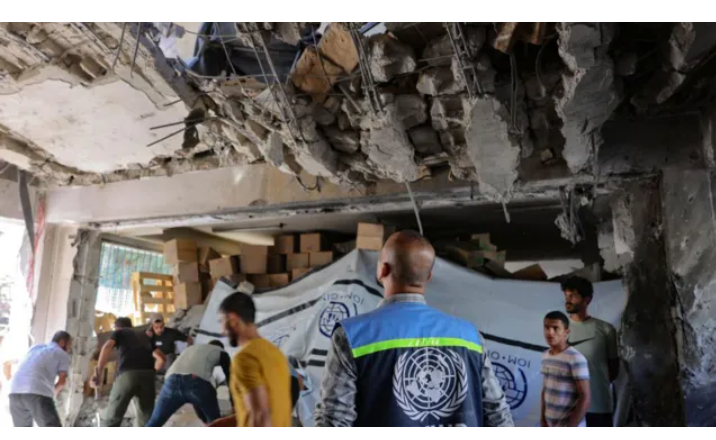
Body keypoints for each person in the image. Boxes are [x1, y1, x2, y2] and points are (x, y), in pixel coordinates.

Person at [314, 230, 514, 427]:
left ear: (383, 270)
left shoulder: (352, 336)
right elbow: (498, 416)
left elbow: (333, 422)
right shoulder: (470, 337)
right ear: (429, 277)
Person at [208, 292, 291, 427]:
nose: (222, 331)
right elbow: (267, 407)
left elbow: (260, 415)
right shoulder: (276, 353)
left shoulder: (244, 358)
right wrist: (222, 423)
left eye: (221, 321)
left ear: (233, 319)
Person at [562, 276, 619, 427]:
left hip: (599, 405)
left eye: (573, 295)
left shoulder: (606, 330)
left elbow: (613, 371)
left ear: (586, 299)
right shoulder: (559, 330)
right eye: (566, 295)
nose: (568, 299)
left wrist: (594, 385)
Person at [146, 340, 232, 426]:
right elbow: (232, 380)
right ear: (220, 347)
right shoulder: (221, 351)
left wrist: (204, 420)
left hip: (170, 381)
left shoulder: (191, 349)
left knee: (154, 422)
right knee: (216, 423)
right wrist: (234, 405)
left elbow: (196, 400)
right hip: (197, 383)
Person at [94, 317, 159, 427]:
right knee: (146, 419)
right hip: (148, 376)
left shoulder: (119, 332)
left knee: (112, 418)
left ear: (117, 328)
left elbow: (107, 346)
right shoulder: (145, 335)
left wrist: (98, 372)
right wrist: (152, 372)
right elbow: (161, 358)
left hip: (128, 374)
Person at [8, 331, 71, 427]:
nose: (69, 349)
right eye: (69, 345)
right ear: (62, 342)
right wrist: (52, 395)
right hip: (37, 393)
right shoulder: (62, 354)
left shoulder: (34, 348)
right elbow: (62, 382)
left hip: (14, 393)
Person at [541, 311, 591, 427]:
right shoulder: (545, 355)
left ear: (566, 332)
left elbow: (585, 397)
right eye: (547, 327)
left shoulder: (576, 358)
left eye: (555, 328)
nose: (550, 332)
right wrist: (543, 421)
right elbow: (545, 390)